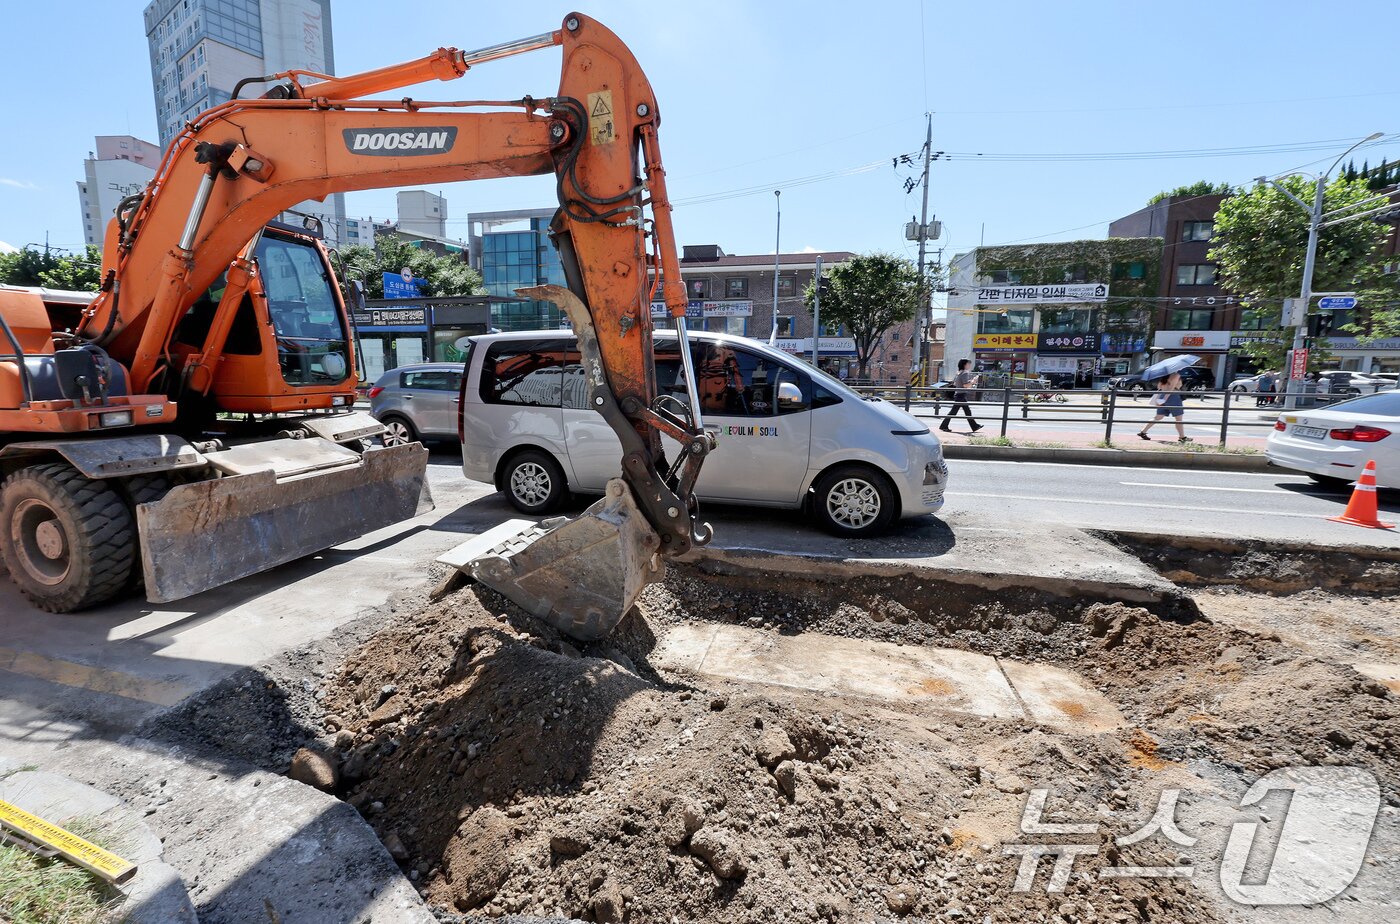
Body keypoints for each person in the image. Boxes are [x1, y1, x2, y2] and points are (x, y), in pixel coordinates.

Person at [1137, 372, 1191, 443]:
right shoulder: (1176, 375)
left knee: (1158, 416)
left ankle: (1143, 431)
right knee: (1178, 418)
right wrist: (1165, 399)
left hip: (1162, 395)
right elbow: (1171, 388)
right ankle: (1182, 437)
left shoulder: (1165, 375)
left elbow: (1159, 386)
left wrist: (1162, 399)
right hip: (1173, 397)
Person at [939, 359, 983, 433]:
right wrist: (973, 382)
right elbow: (965, 385)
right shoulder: (965, 373)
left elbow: (957, 384)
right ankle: (944, 426)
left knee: (966, 412)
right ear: (964, 365)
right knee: (956, 412)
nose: (969, 365)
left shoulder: (959, 373)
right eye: (968, 364)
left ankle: (974, 426)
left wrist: (970, 382)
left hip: (959, 394)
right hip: (961, 395)